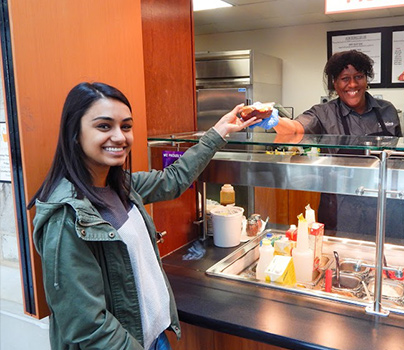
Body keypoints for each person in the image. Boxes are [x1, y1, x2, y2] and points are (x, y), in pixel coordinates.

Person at [28, 82, 257, 350]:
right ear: (75, 134)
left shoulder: (120, 185)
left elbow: (173, 179)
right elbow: (88, 325)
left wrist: (218, 132)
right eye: (104, 126)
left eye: (125, 126)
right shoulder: (66, 217)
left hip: (154, 336)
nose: (119, 137)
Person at [252, 50, 404, 241]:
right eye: (345, 78)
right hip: (343, 210)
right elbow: (296, 129)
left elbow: (399, 164)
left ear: (366, 79)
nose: (352, 84)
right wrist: (273, 119)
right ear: (334, 84)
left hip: (387, 207)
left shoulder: (387, 110)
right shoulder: (323, 113)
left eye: (358, 77)